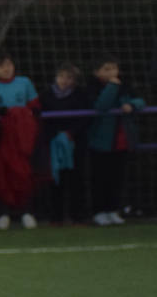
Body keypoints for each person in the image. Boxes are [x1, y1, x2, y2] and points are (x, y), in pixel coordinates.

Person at [0, 52, 41, 229]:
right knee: (3, 173)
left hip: (23, 138)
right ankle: (3, 213)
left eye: (9, 64)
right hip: (2, 137)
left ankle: (27, 212)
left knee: (25, 173)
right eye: (1, 66)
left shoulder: (25, 82)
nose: (6, 69)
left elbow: (35, 105)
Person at [87, 56, 146, 225]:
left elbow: (140, 100)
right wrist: (112, 86)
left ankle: (113, 210)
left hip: (121, 141)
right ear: (96, 72)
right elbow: (101, 106)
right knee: (100, 179)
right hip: (101, 142)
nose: (112, 72)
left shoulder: (125, 86)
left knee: (117, 178)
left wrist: (132, 105)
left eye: (114, 68)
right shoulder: (93, 88)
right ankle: (99, 211)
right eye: (106, 69)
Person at [35, 62, 88, 225]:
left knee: (76, 179)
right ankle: (55, 217)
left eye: (69, 77)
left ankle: (77, 216)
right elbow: (41, 117)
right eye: (62, 76)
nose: (65, 80)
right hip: (52, 142)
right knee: (55, 180)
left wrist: (70, 134)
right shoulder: (46, 95)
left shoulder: (80, 95)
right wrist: (54, 135)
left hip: (74, 142)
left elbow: (84, 117)